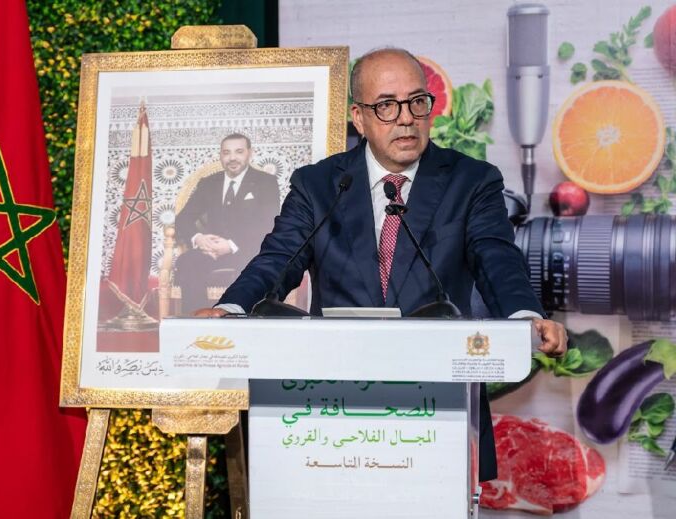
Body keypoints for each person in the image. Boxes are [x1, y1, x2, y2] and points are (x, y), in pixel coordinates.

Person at [195, 48, 567, 481]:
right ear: (359, 117)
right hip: (332, 412)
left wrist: (524, 316)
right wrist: (232, 309)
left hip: (438, 408)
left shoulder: (471, 181)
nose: (406, 119)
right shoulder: (318, 184)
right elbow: (279, 259)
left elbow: (496, 258)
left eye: (417, 103)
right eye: (387, 106)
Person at [174, 133, 281, 313]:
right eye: (226, 152)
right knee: (187, 261)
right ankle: (198, 320)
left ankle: (241, 324)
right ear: (221, 155)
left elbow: (267, 224)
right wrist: (199, 238)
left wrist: (231, 245)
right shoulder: (209, 183)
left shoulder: (266, 182)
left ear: (250, 153)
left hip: (247, 251)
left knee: (255, 268)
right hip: (210, 252)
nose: (232, 158)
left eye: (239, 151)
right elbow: (183, 219)